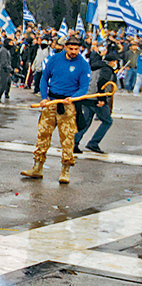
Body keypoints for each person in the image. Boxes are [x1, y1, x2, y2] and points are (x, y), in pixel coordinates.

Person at [21, 35, 90, 184]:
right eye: (71, 48)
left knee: (67, 138)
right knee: (43, 134)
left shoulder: (83, 64)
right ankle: (37, 167)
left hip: (68, 104)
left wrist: (74, 97)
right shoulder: (54, 59)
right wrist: (44, 97)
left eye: (76, 49)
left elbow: (84, 87)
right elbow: (44, 78)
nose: (73, 51)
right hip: (51, 102)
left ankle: (65, 170)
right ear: (65, 47)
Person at [73, 51, 118, 154]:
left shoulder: (94, 67)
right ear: (112, 62)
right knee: (107, 121)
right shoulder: (106, 70)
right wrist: (101, 99)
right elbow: (102, 83)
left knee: (86, 122)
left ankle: (74, 142)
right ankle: (93, 143)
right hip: (97, 98)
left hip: (87, 96)